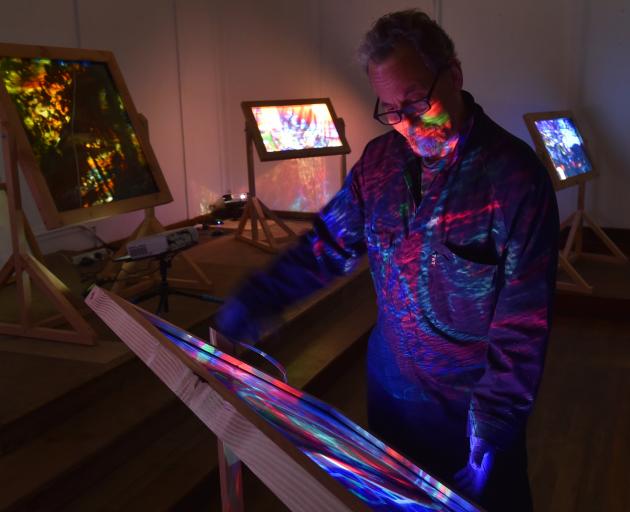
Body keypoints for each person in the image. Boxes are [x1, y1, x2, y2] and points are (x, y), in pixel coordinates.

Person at [216, 9, 558, 511]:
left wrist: (494, 426)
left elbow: (522, 323)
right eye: (392, 111)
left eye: (418, 100)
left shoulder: (514, 180)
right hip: (392, 397)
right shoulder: (379, 164)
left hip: (471, 414)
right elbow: (326, 248)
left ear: (456, 74)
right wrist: (259, 296)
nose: (409, 124)